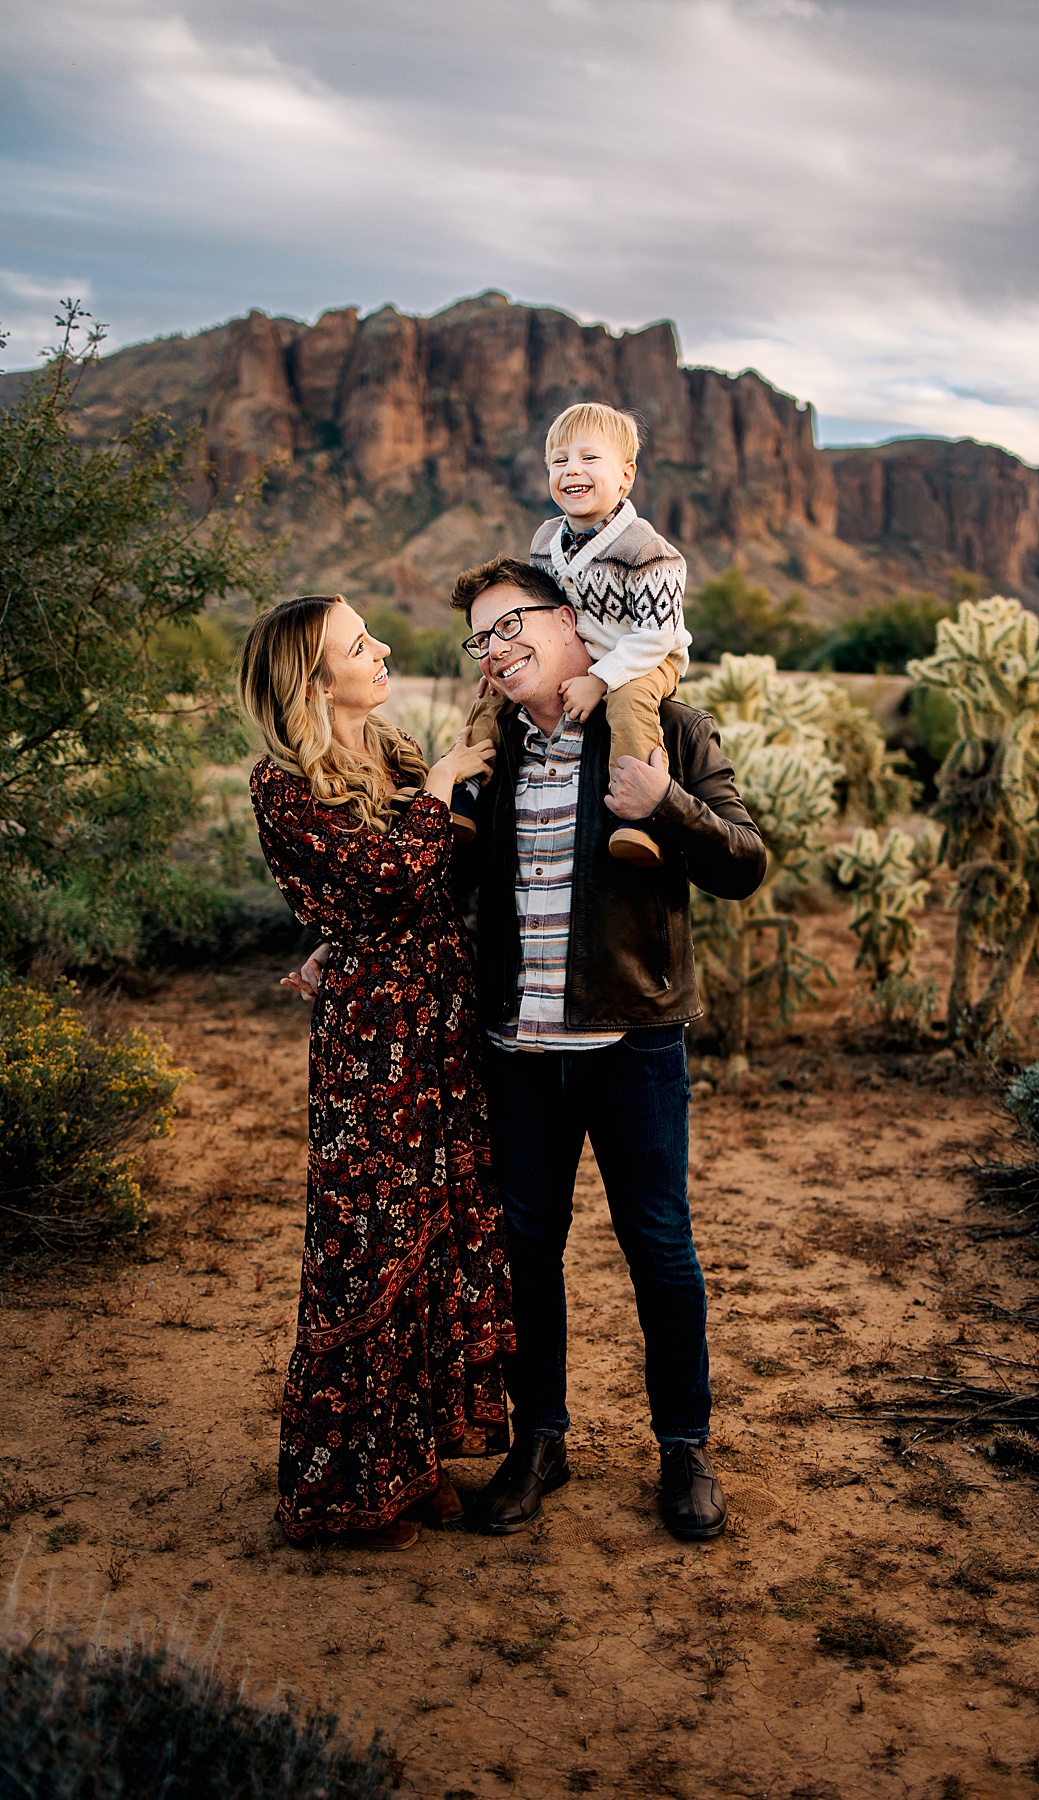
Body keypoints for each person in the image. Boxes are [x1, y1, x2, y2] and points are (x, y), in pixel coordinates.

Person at [292, 558, 766, 1540]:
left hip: (633, 1041)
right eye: (482, 637)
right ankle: (541, 1441)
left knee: (659, 1247)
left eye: (512, 626)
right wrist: (347, 940)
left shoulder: (665, 727)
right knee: (524, 1251)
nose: (495, 650)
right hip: (513, 1050)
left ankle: (684, 1448)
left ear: (574, 620)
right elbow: (437, 882)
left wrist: (664, 804)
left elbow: (744, 861)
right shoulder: (489, 752)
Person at [240, 593, 515, 1550]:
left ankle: (415, 1461)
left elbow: (442, 874)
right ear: (315, 684)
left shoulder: (393, 756)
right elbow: (388, 879)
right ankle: (346, 1489)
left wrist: (462, 757)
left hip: (440, 1022)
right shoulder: (281, 784)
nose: (382, 648)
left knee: (439, 1232)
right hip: (373, 1043)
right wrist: (441, 785)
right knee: (370, 1247)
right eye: (360, 645)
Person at [460, 402, 690, 869]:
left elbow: (658, 635)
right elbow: (543, 614)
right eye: (559, 461)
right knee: (491, 697)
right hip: (586, 658)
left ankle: (636, 815)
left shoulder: (648, 551)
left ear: (625, 476)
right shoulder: (546, 540)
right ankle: (464, 792)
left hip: (646, 657)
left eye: (589, 458)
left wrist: (601, 680)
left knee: (629, 703)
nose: (572, 470)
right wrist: (507, 661)